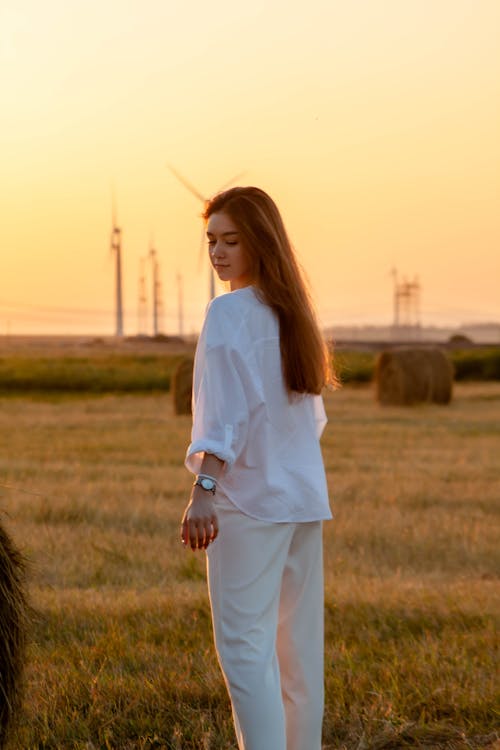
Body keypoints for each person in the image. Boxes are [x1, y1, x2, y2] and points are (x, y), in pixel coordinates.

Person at [181, 186, 334, 750]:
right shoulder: (292, 311)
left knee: (245, 650)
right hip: (301, 500)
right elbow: (309, 418)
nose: (217, 253)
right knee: (297, 653)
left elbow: (223, 415)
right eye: (211, 241)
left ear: (260, 241)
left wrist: (204, 488)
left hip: (248, 503)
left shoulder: (228, 312)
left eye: (231, 240)